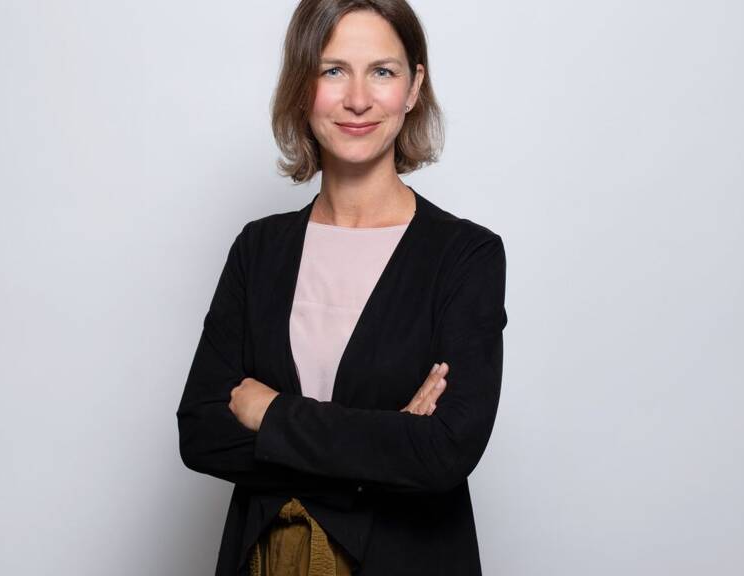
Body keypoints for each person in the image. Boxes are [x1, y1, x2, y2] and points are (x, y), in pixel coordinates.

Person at [176, 1, 508, 574]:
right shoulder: (259, 249)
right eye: (333, 70)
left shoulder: (464, 256)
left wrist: (271, 413)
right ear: (302, 87)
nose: (358, 99)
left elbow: (442, 452)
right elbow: (201, 432)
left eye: (382, 71)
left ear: (413, 87)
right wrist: (386, 442)